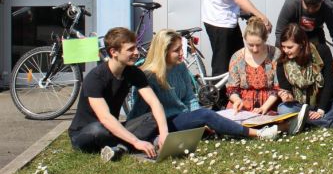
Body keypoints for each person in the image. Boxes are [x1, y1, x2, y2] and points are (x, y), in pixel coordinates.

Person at [126, 29, 279, 140]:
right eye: (176, 50)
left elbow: (190, 98)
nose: (182, 53)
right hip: (162, 123)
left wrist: (197, 120)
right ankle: (258, 134)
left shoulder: (180, 68)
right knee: (206, 114)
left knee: (208, 115)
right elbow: (139, 109)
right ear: (163, 52)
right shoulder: (150, 76)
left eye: (182, 48)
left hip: (181, 117)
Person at [67, 27, 170, 162]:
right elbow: (105, 118)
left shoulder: (133, 72)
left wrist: (164, 134)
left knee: (152, 117)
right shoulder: (95, 78)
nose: (136, 52)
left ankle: (120, 148)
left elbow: (155, 103)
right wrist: (136, 141)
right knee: (99, 129)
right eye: (130, 49)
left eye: (136, 47)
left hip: (112, 128)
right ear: (113, 52)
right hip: (85, 133)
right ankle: (133, 143)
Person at [201, 0, 273, 106]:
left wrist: (247, 14)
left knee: (240, 59)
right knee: (223, 65)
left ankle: (238, 99)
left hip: (230, 16)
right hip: (218, 20)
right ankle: (217, 106)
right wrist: (261, 16)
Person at [275, 23, 333, 130]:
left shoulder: (322, 51)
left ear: (302, 44)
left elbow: (330, 83)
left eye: (290, 47)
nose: (286, 50)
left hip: (324, 105)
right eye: (283, 47)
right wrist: (287, 97)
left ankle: (307, 121)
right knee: (283, 109)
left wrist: (321, 110)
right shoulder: (282, 62)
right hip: (300, 107)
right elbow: (286, 90)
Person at [274, 0, 333, 110]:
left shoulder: (328, 6)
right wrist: (285, 52)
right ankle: (298, 103)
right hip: (293, 38)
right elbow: (280, 32)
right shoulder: (291, 4)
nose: (311, 10)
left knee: (323, 71)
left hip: (316, 37)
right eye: (308, 7)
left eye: (315, 7)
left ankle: (324, 104)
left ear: (322, 0)